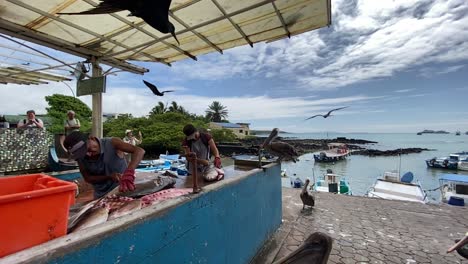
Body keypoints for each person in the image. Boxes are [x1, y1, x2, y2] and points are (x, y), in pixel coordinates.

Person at [64, 131, 145, 198]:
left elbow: (139, 151)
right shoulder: (80, 158)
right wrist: (109, 177)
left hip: (124, 190)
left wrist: (129, 172)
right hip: (101, 196)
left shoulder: (112, 143)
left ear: (92, 138)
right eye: (83, 153)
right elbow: (88, 178)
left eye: (88, 149)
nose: (88, 155)